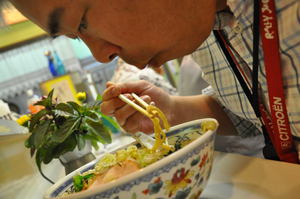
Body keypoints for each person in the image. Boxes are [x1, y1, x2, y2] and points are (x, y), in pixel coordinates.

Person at [1, 0, 299, 163]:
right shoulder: (206, 31)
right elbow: (261, 111)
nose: (101, 56)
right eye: (77, 37)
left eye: (82, 23)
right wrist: (172, 110)